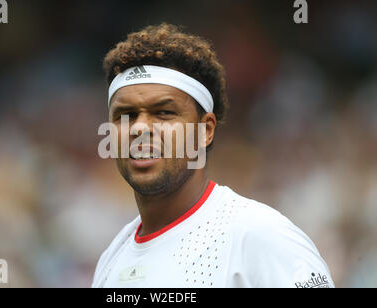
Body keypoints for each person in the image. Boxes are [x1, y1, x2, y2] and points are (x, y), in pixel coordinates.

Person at [92, 23, 334, 288]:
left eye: (164, 112)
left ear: (205, 130)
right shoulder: (112, 258)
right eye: (125, 115)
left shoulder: (259, 236)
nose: (140, 128)